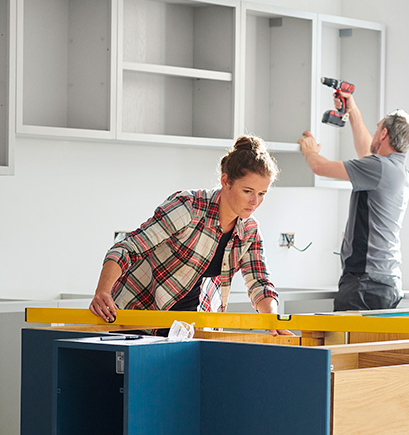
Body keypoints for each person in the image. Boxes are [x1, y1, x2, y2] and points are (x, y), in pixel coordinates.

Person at [89, 135, 291, 336]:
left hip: (186, 330)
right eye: (247, 191)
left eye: (262, 193)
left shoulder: (249, 231)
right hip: (136, 318)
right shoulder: (188, 207)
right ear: (225, 181)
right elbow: (127, 249)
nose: (255, 201)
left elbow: (260, 284)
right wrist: (103, 292)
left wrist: (274, 321)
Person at [298, 93, 409, 311]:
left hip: (365, 283)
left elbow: (320, 167)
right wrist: (352, 109)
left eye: (377, 128)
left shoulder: (378, 168)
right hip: (384, 282)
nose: (373, 134)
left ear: (383, 133)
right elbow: (365, 150)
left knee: (342, 344)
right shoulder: (398, 170)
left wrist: (309, 150)